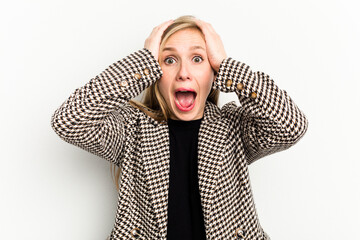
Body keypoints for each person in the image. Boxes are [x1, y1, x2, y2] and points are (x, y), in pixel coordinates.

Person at [51, 15, 308, 240]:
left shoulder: (233, 128)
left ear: (213, 73)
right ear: (154, 72)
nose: (184, 72)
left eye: (197, 58)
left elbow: (291, 126)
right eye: (169, 60)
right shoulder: (132, 129)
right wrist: (141, 62)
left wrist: (227, 65)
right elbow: (68, 121)